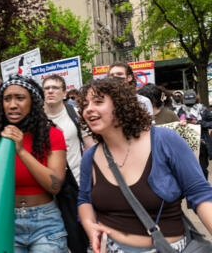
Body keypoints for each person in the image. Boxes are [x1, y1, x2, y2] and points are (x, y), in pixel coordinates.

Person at [77, 78, 212, 253]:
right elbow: (84, 199)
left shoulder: (165, 140)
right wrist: (89, 225)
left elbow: (199, 193)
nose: (89, 109)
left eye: (98, 101)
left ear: (121, 105)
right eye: (85, 105)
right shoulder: (90, 156)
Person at [0, 74, 68, 252]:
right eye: (7, 99)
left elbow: (55, 185)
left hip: (45, 222)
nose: (13, 105)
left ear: (33, 103)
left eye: (20, 98)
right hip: (6, 222)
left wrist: (20, 150)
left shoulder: (52, 135)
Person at [43, 74, 94, 185]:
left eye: (55, 88)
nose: (50, 91)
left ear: (64, 93)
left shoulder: (75, 113)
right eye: (47, 88)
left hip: (76, 182)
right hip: (47, 185)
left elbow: (90, 146)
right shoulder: (35, 117)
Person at [177, 90, 212, 179]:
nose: (189, 105)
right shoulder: (180, 110)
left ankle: (204, 189)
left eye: (191, 103)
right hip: (185, 143)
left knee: (202, 169)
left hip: (202, 143)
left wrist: (199, 122)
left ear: (196, 100)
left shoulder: (203, 110)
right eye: (187, 103)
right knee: (188, 169)